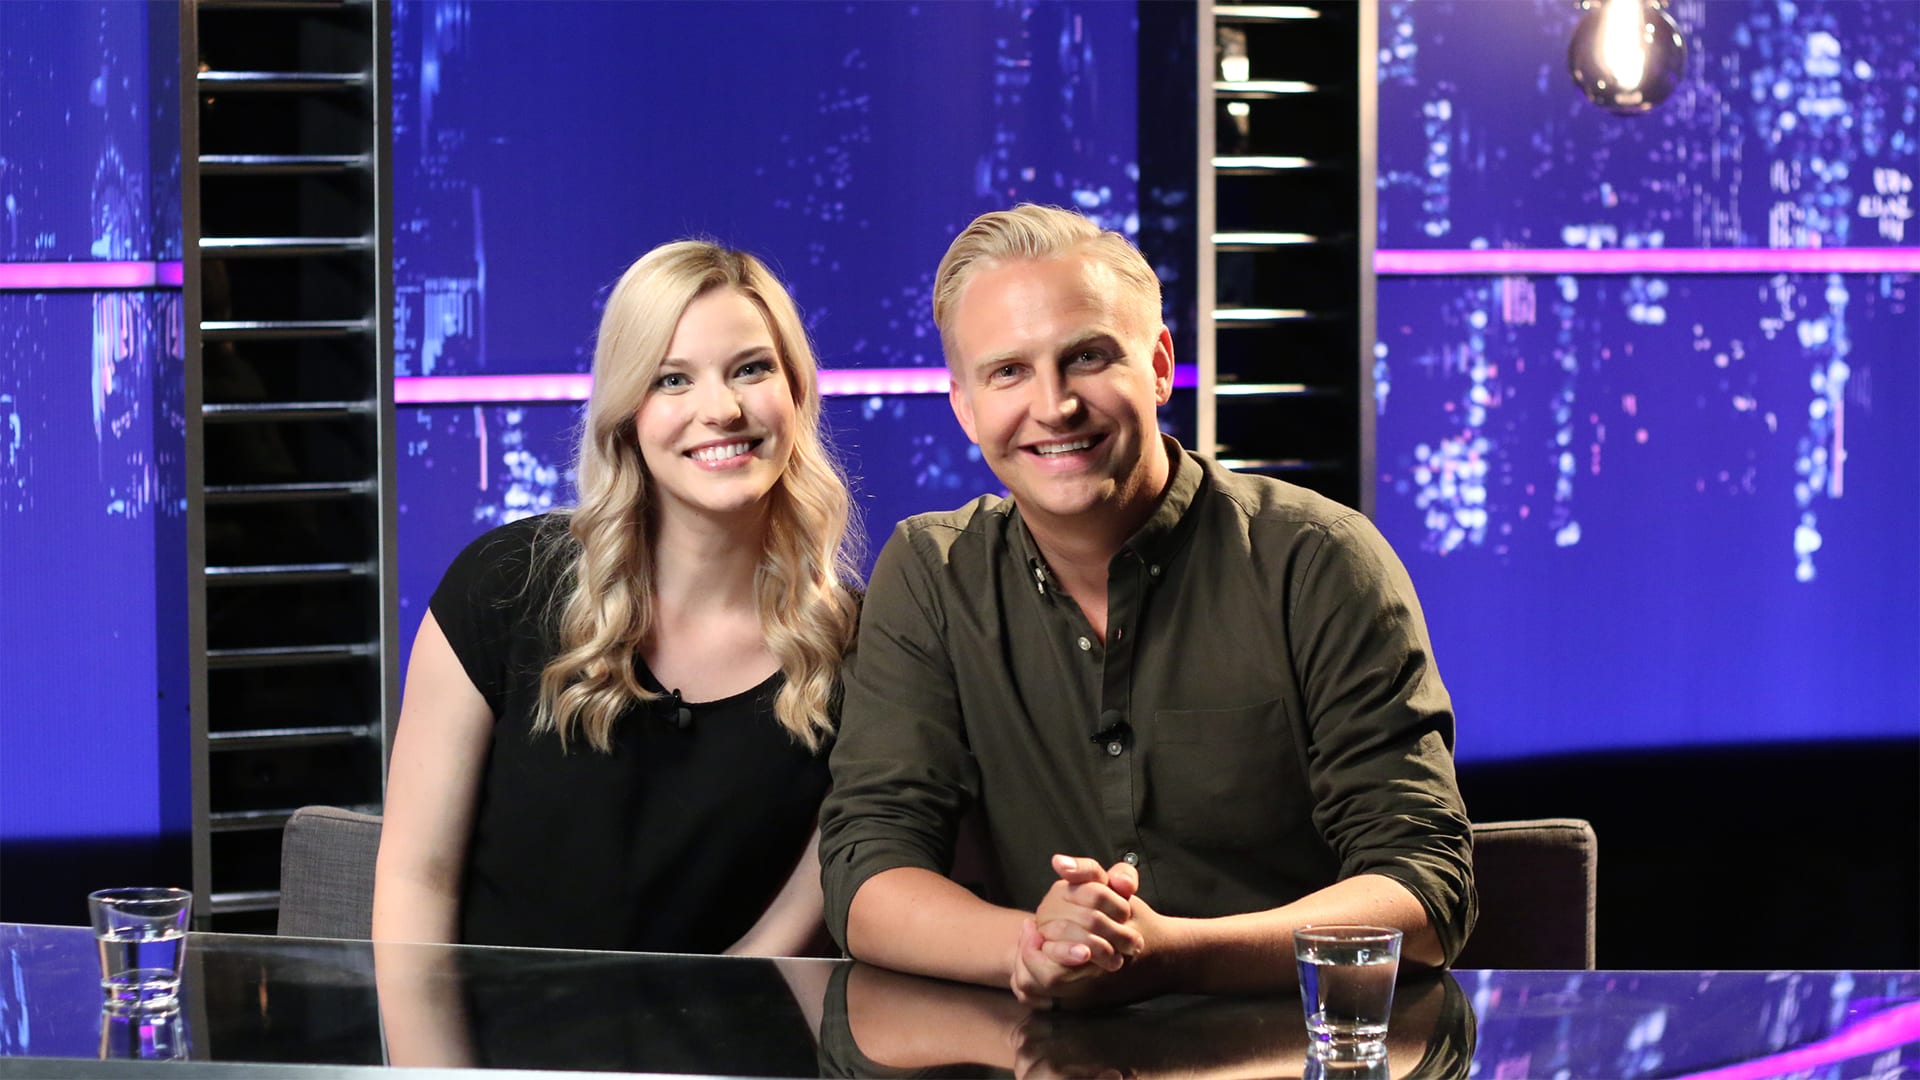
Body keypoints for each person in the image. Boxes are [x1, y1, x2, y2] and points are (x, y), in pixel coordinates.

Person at [817, 204, 1475, 1007]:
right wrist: (1032, 950)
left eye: (1087, 357)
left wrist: (1173, 956)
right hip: (1048, 1051)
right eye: (1008, 372)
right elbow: (866, 868)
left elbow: (1425, 890)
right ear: (964, 406)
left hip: (1290, 1045)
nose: (1055, 405)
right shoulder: (932, 576)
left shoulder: (1318, 560)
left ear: (1159, 365)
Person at [373, 240, 861, 956]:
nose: (722, 409)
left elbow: (781, 948)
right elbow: (418, 880)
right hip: (494, 1030)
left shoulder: (858, 652)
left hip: (731, 1029)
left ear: (796, 391)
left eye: (751, 369)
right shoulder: (500, 586)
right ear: (627, 410)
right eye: (672, 379)